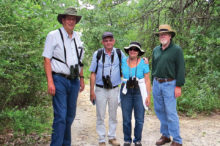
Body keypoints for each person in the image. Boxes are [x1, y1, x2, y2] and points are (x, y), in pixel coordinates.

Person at [42, 7, 85, 146]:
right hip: (59, 79)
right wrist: (50, 81)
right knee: (60, 116)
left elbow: (80, 60)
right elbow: (47, 59)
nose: (71, 21)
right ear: (63, 20)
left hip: (74, 81)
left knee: (70, 116)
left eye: (73, 19)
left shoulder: (78, 36)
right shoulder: (53, 35)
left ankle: (66, 143)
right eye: (68, 18)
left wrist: (82, 78)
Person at [90, 32, 125, 146]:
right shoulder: (98, 54)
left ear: (114, 41)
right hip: (100, 89)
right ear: (102, 42)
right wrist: (91, 91)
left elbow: (129, 63)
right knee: (100, 114)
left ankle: (112, 137)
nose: (108, 42)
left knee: (113, 114)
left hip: (115, 88)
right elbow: (93, 73)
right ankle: (101, 139)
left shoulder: (119, 53)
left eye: (110, 40)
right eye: (106, 40)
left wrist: (142, 60)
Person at [152, 24, 185, 146]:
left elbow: (181, 68)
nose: (163, 36)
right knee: (160, 110)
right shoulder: (156, 50)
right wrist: (152, 83)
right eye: (161, 34)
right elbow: (154, 67)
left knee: (171, 112)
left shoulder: (176, 50)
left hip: (170, 84)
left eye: (165, 34)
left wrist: (178, 86)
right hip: (156, 84)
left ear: (170, 36)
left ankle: (177, 139)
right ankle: (165, 135)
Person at [120, 42, 151, 146]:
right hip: (126, 91)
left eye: (135, 49)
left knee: (140, 119)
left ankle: (137, 140)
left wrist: (148, 96)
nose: (133, 51)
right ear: (128, 51)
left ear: (139, 52)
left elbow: (147, 80)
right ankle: (127, 140)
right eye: (131, 49)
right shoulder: (123, 61)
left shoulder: (144, 62)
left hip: (139, 92)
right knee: (126, 118)